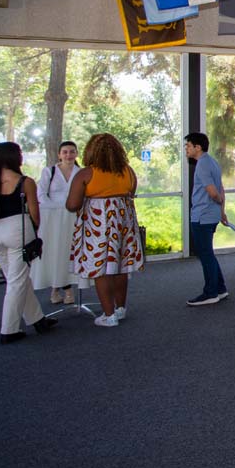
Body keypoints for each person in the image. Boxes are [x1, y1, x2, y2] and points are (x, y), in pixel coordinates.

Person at [0, 142, 56, 344]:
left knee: (17, 278)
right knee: (16, 281)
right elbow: (35, 215)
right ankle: (9, 329)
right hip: (17, 229)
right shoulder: (25, 182)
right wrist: (33, 233)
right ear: (14, 157)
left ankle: (38, 320)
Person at [66, 133, 144, 327]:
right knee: (121, 267)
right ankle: (120, 308)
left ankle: (108, 315)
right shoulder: (128, 171)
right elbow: (131, 193)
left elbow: (72, 204)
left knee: (100, 269)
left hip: (97, 226)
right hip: (123, 225)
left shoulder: (86, 173)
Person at [33, 140, 81, 304]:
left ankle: (67, 288)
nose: (68, 155)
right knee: (54, 251)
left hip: (74, 218)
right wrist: (60, 207)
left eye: (72, 151)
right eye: (65, 152)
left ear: (76, 154)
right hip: (52, 219)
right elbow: (41, 195)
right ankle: (55, 288)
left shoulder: (81, 172)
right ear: (59, 154)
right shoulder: (49, 171)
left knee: (69, 251)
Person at [183, 133, 229, 306]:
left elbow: (214, 191)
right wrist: (221, 211)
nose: (186, 149)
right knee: (208, 253)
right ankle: (220, 288)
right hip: (211, 215)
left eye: (188, 145)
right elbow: (221, 188)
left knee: (205, 254)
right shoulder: (212, 162)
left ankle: (210, 293)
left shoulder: (202, 164)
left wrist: (217, 202)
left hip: (202, 216)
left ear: (198, 147)